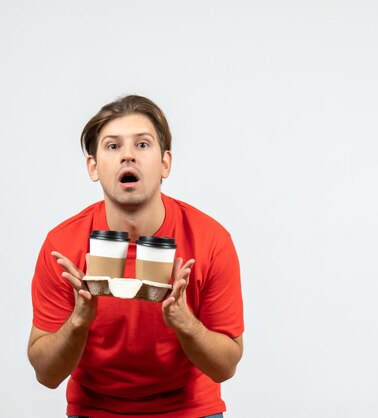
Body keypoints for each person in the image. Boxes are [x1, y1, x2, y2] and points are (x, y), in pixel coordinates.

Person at [27, 95, 244, 418]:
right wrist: (78, 322)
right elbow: (46, 375)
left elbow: (226, 367)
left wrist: (185, 323)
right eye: (113, 147)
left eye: (142, 145)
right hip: (94, 409)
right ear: (93, 167)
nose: (128, 155)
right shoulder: (63, 245)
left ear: (165, 163)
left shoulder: (211, 240)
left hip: (190, 410)